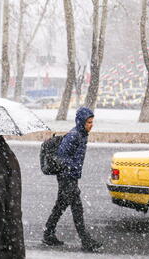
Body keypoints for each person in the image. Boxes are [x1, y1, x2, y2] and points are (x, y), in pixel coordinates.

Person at [42, 107, 102, 252]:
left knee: (61, 205)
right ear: (81, 122)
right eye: (88, 122)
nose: (91, 125)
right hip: (66, 177)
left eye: (92, 122)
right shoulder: (74, 136)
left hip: (70, 176)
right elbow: (61, 158)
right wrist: (72, 168)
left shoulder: (82, 134)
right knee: (77, 208)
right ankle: (85, 240)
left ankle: (48, 233)